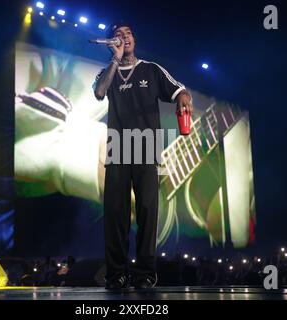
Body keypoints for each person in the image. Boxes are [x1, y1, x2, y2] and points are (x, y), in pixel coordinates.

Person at [93, 21, 194, 289]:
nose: (124, 38)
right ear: (111, 44)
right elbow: (100, 92)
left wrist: (183, 96)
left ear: (134, 40)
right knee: (116, 213)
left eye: (128, 34)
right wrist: (114, 61)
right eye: (118, 36)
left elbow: (178, 89)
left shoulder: (151, 69)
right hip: (118, 148)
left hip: (146, 148)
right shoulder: (107, 73)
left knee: (148, 211)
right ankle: (116, 274)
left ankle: (145, 273)